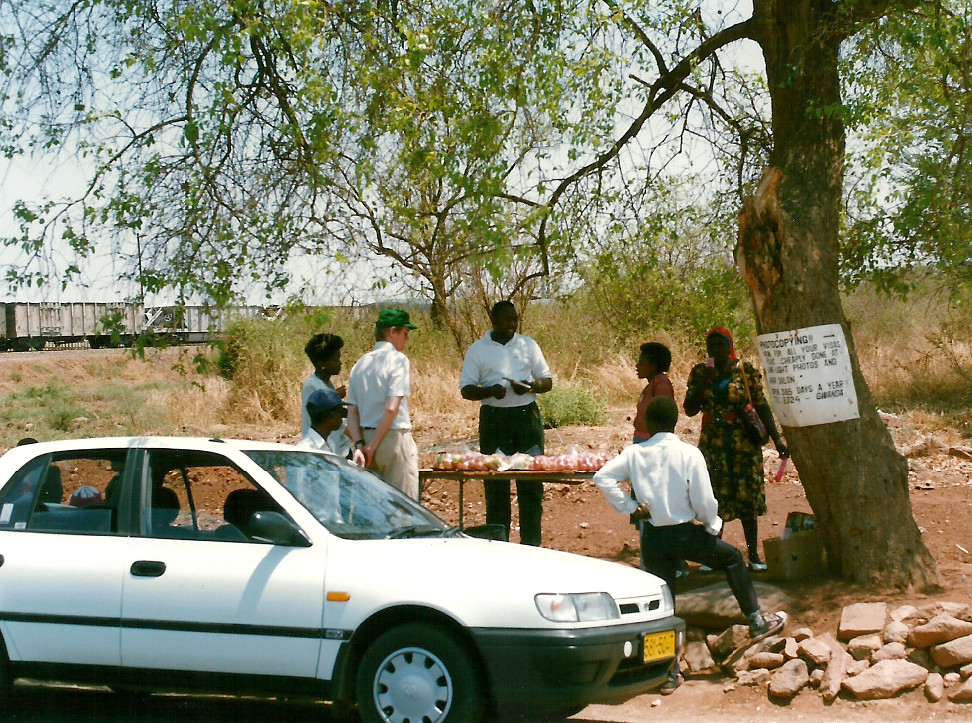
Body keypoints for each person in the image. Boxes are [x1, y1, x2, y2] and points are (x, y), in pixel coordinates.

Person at [593, 396, 787, 693]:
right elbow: (704, 500)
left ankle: (668, 673)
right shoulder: (689, 453)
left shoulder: (634, 453)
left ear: (649, 424)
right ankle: (756, 620)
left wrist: (630, 506)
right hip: (685, 535)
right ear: (675, 422)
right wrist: (712, 525)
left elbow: (602, 476)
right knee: (733, 558)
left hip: (654, 538)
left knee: (663, 604)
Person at [683, 327, 789, 572]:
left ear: (729, 346)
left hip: (743, 443)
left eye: (721, 345)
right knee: (714, 497)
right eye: (712, 346)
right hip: (713, 445)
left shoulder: (745, 370)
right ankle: (713, 554)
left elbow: (762, 407)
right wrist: (705, 382)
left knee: (747, 498)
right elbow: (689, 408)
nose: (715, 350)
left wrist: (777, 440)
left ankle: (753, 555)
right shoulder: (700, 372)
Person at [459, 300, 553, 546]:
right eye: (507, 320)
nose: (512, 324)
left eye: (515, 319)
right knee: (496, 486)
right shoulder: (477, 350)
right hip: (494, 420)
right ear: (493, 321)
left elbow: (547, 381)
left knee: (530, 485)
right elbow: (466, 390)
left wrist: (531, 387)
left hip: (526, 418)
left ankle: (532, 547)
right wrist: (490, 392)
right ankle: (500, 548)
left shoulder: (528, 345)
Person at [345, 309, 420, 500]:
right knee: (403, 506)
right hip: (391, 438)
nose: (406, 339)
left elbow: (351, 412)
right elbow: (391, 407)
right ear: (392, 332)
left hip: (365, 436)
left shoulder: (360, 364)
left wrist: (360, 444)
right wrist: (373, 445)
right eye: (405, 333)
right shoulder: (398, 360)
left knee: (375, 507)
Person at [301, 332, 358, 462]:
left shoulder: (328, 383)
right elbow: (320, 410)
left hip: (340, 448)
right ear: (322, 363)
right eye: (335, 360)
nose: (340, 363)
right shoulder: (312, 385)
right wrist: (336, 396)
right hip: (325, 451)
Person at [633, 341, 675, 443]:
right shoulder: (653, 384)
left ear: (654, 366)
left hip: (652, 442)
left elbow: (664, 416)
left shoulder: (661, 384)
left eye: (642, 363)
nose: (637, 366)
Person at [299, 388, 351, 455]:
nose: (342, 417)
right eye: (341, 412)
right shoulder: (306, 450)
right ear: (331, 415)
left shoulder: (330, 444)